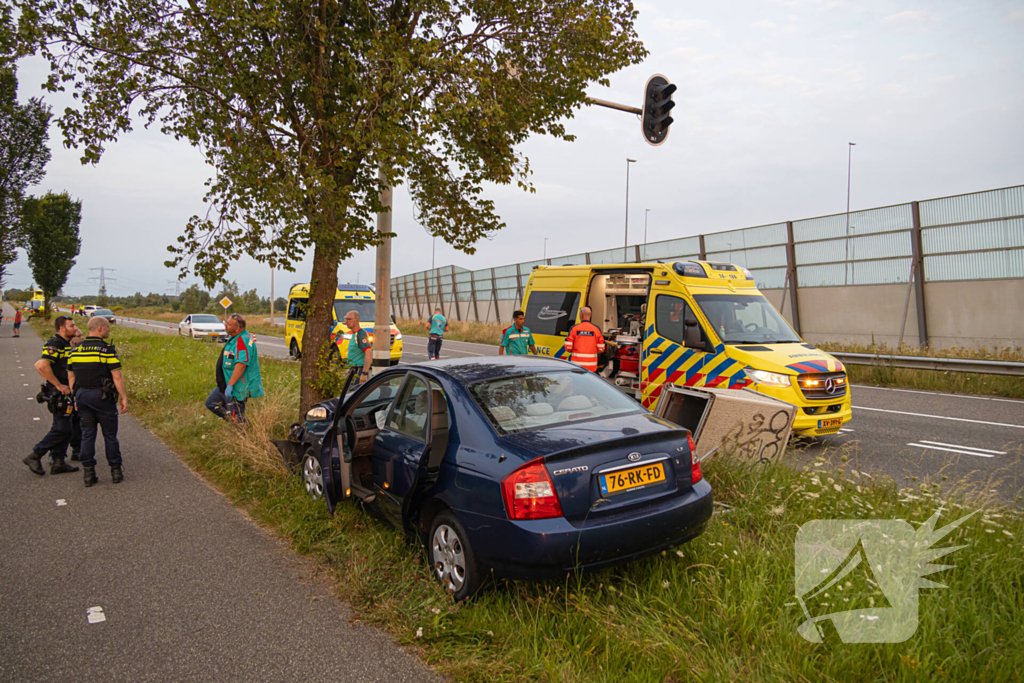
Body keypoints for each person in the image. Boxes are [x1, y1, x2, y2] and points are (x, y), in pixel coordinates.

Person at [68, 316, 128, 487]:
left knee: (87, 434)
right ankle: (115, 471)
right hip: (102, 397)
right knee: (110, 435)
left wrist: (75, 397)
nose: (109, 329)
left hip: (82, 395)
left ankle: (88, 474)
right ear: (100, 329)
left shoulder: (75, 350)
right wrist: (123, 397)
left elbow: (71, 376)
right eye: (107, 327)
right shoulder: (107, 350)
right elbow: (117, 376)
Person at [24, 316, 81, 476]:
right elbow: (41, 365)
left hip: (66, 391)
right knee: (62, 428)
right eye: (72, 326)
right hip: (59, 393)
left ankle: (58, 461)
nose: (75, 328)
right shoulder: (55, 344)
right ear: (62, 328)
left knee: (67, 427)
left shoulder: (65, 343)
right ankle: (35, 455)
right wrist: (57, 385)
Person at [206, 313, 263, 422]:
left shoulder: (242, 341)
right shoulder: (235, 338)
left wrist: (230, 385)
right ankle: (234, 420)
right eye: (226, 322)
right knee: (211, 403)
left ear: (237, 329)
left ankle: (241, 426)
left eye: (229, 324)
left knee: (236, 414)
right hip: (224, 384)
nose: (225, 325)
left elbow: (241, 364)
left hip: (236, 387)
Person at [564, 306, 606, 372]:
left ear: (581, 315)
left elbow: (568, 347)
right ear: (590, 315)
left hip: (576, 366)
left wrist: (577, 351)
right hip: (591, 367)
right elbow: (601, 349)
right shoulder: (596, 329)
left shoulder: (574, 328)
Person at [344, 309, 373, 388]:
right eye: (345, 319)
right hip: (354, 371)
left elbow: (369, 353)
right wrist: (350, 368)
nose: (346, 321)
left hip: (359, 372)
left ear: (357, 320)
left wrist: (364, 373)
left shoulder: (360, 334)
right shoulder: (354, 334)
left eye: (349, 319)